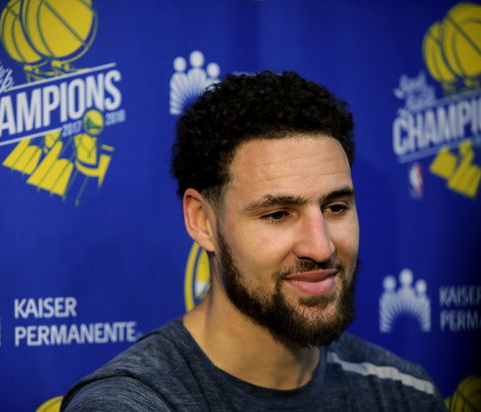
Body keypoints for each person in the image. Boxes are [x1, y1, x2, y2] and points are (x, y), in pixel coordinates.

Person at [61, 71, 446, 411]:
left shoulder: (404, 393)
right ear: (202, 221)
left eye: (335, 207)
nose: (321, 247)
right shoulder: (130, 402)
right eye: (277, 214)